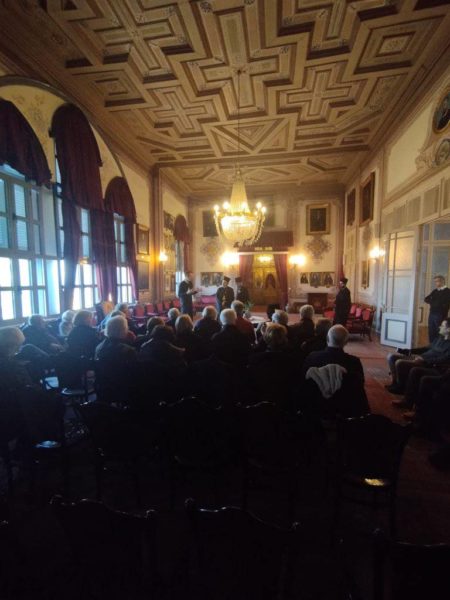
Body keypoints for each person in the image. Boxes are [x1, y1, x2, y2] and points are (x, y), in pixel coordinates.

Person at [386, 318, 450, 395]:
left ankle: (401, 387)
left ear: (448, 329)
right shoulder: (439, 338)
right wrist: (408, 351)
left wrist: (425, 360)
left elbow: (443, 359)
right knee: (391, 357)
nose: (439, 327)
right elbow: (425, 348)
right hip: (420, 358)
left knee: (399, 362)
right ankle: (395, 383)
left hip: (427, 363)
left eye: (442, 326)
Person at [424, 275, 450, 342]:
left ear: (442, 281)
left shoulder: (448, 291)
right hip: (432, 313)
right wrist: (434, 302)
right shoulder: (435, 291)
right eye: (435, 281)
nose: (436, 283)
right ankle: (431, 346)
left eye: (437, 281)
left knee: (439, 332)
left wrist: (434, 302)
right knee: (431, 331)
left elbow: (445, 304)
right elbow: (426, 299)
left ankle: (438, 346)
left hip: (441, 314)